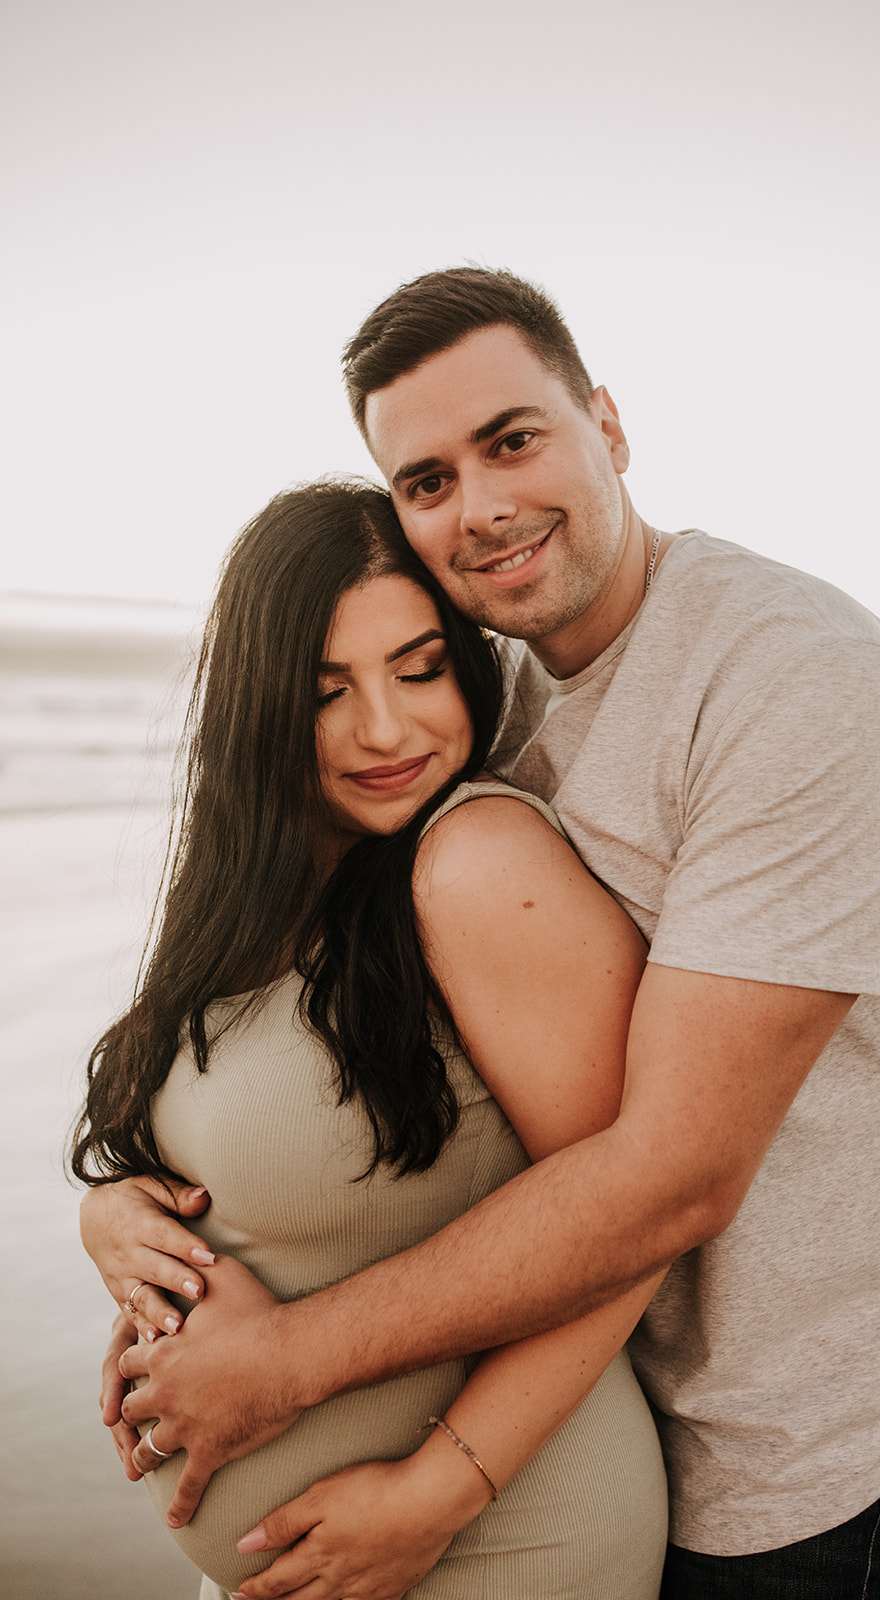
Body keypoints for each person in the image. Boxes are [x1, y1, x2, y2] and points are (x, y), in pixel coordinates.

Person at [85, 268, 880, 1600]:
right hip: (581, 1385)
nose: (481, 506)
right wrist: (130, 1220)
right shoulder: (488, 704)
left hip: (776, 1435)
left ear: (606, 426)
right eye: (427, 479)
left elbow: (667, 1179)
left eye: (511, 440)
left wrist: (308, 1383)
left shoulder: (790, 679)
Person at [71, 477, 669, 1600]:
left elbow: (630, 1222)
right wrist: (124, 1230)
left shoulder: (478, 863)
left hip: (491, 1542)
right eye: (326, 689)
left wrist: (434, 1494)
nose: (385, 729)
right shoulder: (262, 892)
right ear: (257, 704)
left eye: (419, 667)